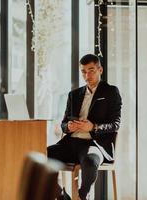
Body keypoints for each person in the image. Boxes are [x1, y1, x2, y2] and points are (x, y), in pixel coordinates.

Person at [47, 54, 122, 200]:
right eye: (83, 71)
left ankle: (83, 195)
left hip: (94, 144)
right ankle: (62, 197)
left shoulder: (111, 92)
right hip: (70, 143)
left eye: (91, 70)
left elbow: (115, 124)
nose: (87, 75)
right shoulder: (73, 95)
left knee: (90, 160)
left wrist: (93, 127)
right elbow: (63, 124)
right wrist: (68, 126)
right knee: (42, 156)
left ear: (100, 70)